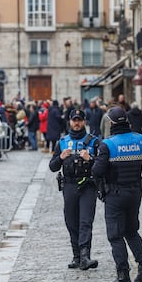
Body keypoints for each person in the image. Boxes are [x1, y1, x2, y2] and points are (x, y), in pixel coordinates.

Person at [92, 106, 142, 282]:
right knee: (132, 231)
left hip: (115, 194)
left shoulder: (107, 144)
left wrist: (94, 158)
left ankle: (123, 276)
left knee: (115, 235)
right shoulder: (140, 140)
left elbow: (97, 171)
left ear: (111, 123)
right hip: (135, 193)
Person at [49, 109, 100, 271]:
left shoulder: (94, 142)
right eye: (74, 120)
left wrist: (90, 159)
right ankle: (76, 256)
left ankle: (85, 256)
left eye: (79, 120)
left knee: (85, 221)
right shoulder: (63, 142)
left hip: (88, 186)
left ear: (84, 121)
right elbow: (52, 166)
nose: (77, 123)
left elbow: (102, 166)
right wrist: (61, 158)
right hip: (69, 186)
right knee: (71, 221)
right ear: (70, 122)